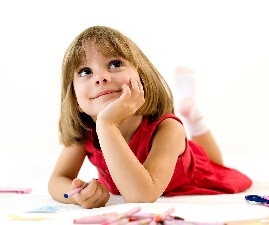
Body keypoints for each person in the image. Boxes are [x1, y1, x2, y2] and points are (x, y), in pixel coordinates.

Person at [48, 25, 252, 209]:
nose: (101, 77)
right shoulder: (86, 132)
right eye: (85, 71)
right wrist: (76, 195)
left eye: (115, 63)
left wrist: (107, 124)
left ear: (142, 78)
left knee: (213, 162)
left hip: (193, 172)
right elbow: (57, 180)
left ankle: (193, 118)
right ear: (74, 99)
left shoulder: (168, 129)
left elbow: (141, 196)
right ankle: (190, 112)